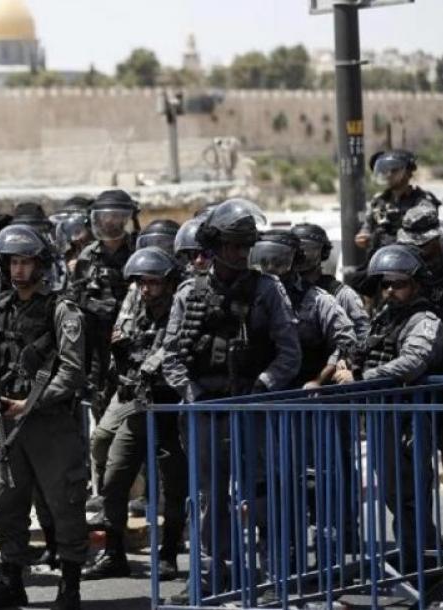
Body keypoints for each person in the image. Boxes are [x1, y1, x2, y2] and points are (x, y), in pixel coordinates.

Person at [162, 199, 301, 598]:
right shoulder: (191, 291)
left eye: (246, 246)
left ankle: (273, 575)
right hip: (206, 410)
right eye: (234, 246)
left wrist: (262, 386)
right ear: (216, 246)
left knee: (262, 492)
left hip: (253, 407)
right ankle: (210, 574)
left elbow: (288, 351)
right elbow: (171, 356)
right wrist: (194, 395)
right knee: (208, 496)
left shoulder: (267, 289)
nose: (241, 254)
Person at [0, 225, 88, 610]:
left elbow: (72, 371)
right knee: (8, 507)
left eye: (26, 262)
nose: (18, 270)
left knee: (64, 504)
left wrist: (32, 403)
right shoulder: (2, 311)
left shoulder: (62, 309)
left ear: (40, 265)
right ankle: (11, 582)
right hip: (8, 426)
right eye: (13, 262)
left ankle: (70, 587)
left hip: (51, 425)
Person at [334, 244, 443, 571]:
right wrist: (347, 363)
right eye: (385, 284)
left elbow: (413, 361)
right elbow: (363, 347)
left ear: (416, 285)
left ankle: (424, 564)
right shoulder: (385, 317)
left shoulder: (425, 319)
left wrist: (361, 378)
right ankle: (417, 560)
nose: (390, 290)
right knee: (394, 494)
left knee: (411, 494)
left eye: (399, 283)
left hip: (410, 418)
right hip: (384, 415)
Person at [82, 247, 186, 582]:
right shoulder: (135, 305)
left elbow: (171, 352)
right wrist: (122, 355)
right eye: (142, 282)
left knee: (174, 485)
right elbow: (121, 344)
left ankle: (168, 554)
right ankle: (114, 554)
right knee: (114, 478)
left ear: (167, 283)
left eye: (153, 282)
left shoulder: (181, 307)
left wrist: (142, 361)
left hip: (170, 406)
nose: (146, 288)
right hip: (138, 404)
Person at [69, 189, 139, 516]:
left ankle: (138, 491)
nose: (111, 221)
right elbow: (73, 300)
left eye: (117, 215)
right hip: (97, 347)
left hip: (130, 346)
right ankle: (105, 492)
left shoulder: (138, 254)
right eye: (105, 215)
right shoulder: (87, 257)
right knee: (100, 422)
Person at [250, 230, 356, 389]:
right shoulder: (250, 296)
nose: (270, 268)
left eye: (278, 263)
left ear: (295, 263)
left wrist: (319, 380)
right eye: (265, 263)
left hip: (303, 394)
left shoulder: (318, 300)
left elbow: (346, 343)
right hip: (256, 391)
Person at [291, 223, 370, 342]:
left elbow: (363, 335)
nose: (302, 256)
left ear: (323, 252)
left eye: (309, 249)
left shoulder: (341, 294)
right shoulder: (281, 290)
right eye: (297, 250)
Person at [356, 149, 442, 255]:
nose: (389, 175)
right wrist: (364, 236)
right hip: (380, 258)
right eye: (387, 170)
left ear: (408, 173)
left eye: (394, 170)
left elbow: (431, 235)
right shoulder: (378, 201)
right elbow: (367, 227)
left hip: (411, 258)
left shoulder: (422, 200)